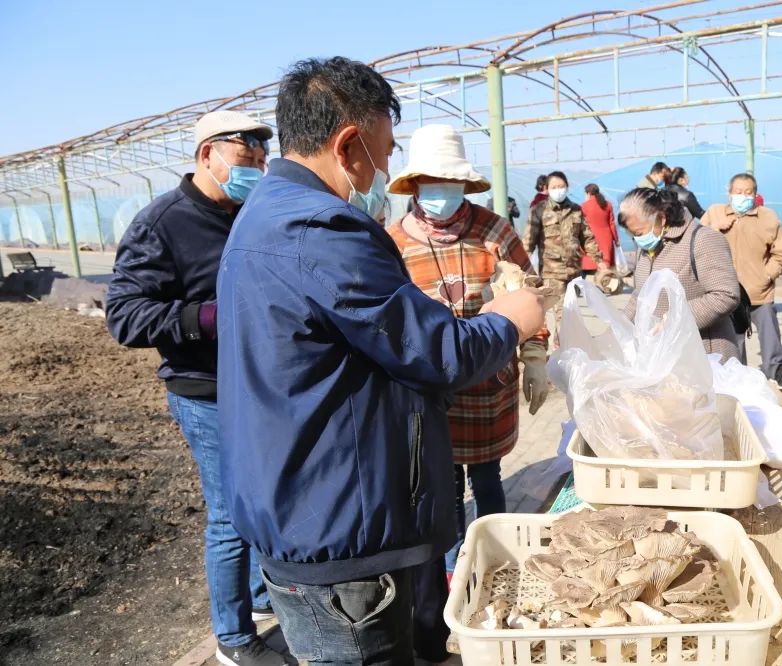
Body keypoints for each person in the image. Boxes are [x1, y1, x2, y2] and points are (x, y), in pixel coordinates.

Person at [215, 57, 545, 666]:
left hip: (305, 503)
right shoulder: (320, 229)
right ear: (348, 145)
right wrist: (512, 318)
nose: (386, 169)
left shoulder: (265, 214)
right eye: (384, 151)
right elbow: (438, 352)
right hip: (339, 533)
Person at [105, 111, 289, 666]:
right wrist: (206, 318)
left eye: (261, 158)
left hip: (258, 382)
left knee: (262, 495)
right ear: (207, 154)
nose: (254, 167)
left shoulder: (251, 211)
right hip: (206, 391)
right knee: (230, 514)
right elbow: (125, 315)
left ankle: (259, 598)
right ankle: (233, 640)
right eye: (244, 157)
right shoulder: (163, 223)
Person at [385, 123, 550, 582]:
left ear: (464, 183)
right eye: (433, 183)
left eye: (451, 183)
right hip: (430, 386)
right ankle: (454, 570)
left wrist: (535, 356)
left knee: (488, 477)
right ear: (415, 186)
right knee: (442, 486)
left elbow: (531, 294)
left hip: (488, 382)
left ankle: (495, 559)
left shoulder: (494, 231)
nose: (443, 193)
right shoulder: (394, 242)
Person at [618, 187, 741, 361]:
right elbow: (640, 294)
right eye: (632, 235)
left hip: (704, 355)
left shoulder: (702, 239)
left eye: (639, 233)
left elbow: (726, 295)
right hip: (662, 355)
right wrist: (619, 327)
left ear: (661, 217)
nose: (637, 239)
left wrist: (676, 318)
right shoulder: (647, 247)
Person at [702, 173, 782, 389]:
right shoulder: (715, 213)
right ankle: (738, 379)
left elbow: (781, 255)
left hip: (759, 289)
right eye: (738, 192)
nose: (743, 196)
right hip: (728, 291)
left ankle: (777, 371)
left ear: (755, 193)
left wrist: (766, 275)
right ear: (729, 193)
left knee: (770, 332)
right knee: (734, 338)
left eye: (748, 192)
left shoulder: (768, 218)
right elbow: (699, 243)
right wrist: (716, 229)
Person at [523, 170, 608, 346]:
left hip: (574, 270)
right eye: (554, 187)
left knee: (572, 310)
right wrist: (521, 263)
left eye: (561, 186)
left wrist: (599, 261)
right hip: (551, 271)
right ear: (547, 189)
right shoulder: (539, 211)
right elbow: (529, 240)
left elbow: (587, 237)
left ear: (567, 187)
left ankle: (561, 342)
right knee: (562, 310)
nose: (558, 190)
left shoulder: (576, 210)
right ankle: (564, 347)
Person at [580, 183, 619, 277]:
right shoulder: (607, 204)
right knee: (606, 264)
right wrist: (616, 239)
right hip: (606, 238)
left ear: (588, 193)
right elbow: (612, 224)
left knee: (591, 264)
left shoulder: (584, 206)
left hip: (590, 238)